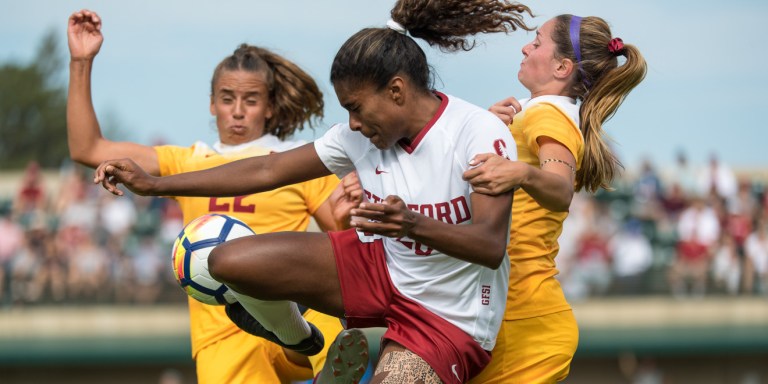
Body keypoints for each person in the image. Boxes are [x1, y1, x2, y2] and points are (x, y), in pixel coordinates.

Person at [92, 1, 534, 382]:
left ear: (397, 90)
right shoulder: (356, 138)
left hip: (446, 317)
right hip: (378, 267)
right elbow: (267, 169)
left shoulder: (477, 131)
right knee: (223, 260)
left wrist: (409, 224)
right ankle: (299, 337)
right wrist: (153, 186)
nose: (354, 124)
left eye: (356, 109)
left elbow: (489, 245)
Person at [67, 9, 354, 383]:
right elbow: (89, 148)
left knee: (324, 319)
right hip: (223, 331)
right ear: (211, 103)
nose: (237, 111)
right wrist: (80, 60)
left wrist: (351, 214)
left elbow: (344, 237)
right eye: (227, 98)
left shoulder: (299, 162)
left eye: (250, 100)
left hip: (296, 308)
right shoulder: (187, 162)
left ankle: (325, 358)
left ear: (269, 107)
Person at [462, 14, 647, 382]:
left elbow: (559, 188)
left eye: (536, 40)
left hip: (524, 325)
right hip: (511, 318)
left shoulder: (549, 114)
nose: (525, 47)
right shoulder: (537, 113)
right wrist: (487, 129)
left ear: (562, 67)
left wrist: (521, 172)